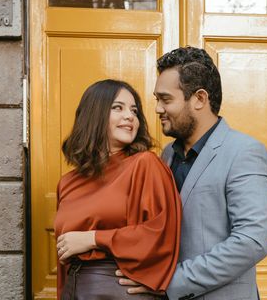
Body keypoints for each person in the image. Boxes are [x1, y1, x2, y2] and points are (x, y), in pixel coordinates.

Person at [118, 47, 267, 299]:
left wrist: (169, 283)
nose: (157, 109)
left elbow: (251, 241)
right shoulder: (167, 154)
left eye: (166, 99)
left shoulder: (245, 152)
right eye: (157, 99)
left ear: (199, 99)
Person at [54, 79, 181, 300]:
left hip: (117, 289)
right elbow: (65, 253)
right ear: (95, 114)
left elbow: (161, 233)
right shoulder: (68, 182)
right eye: (117, 108)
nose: (130, 116)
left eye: (134, 110)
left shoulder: (145, 164)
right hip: (74, 289)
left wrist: (93, 238)